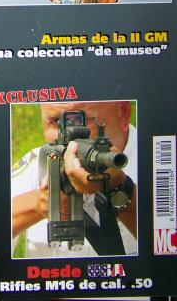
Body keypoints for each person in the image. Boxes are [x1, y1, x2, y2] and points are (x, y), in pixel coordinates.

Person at [11, 101, 137, 258]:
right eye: (57, 121)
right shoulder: (38, 163)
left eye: (82, 119)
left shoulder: (153, 159)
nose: (71, 136)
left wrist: (122, 189)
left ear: (123, 114)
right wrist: (37, 205)